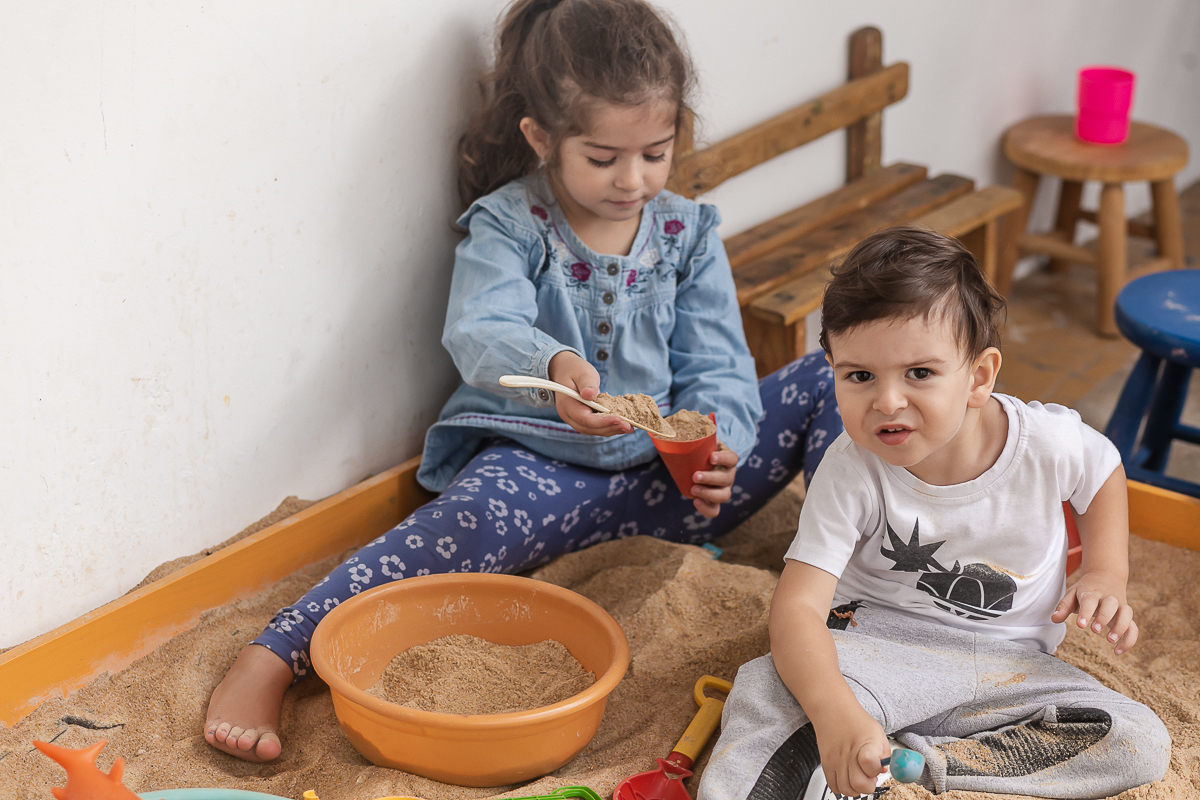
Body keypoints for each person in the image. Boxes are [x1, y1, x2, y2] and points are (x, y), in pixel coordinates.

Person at [203, 0, 842, 763]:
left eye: (656, 153)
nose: (632, 180)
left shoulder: (688, 233)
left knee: (831, 378)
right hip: (543, 472)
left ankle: (857, 585)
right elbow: (480, 330)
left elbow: (719, 362)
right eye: (603, 158)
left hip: (674, 486)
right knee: (461, 523)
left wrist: (714, 443)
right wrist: (556, 374)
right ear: (542, 137)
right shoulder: (510, 224)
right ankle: (272, 656)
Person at [697, 227, 1171, 800]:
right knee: (771, 693)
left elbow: (1102, 472)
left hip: (1009, 669)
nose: (887, 401)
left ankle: (925, 765)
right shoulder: (851, 469)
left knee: (1137, 738)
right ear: (834, 371)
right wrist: (835, 713)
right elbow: (796, 610)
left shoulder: (1045, 441)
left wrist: (1104, 573)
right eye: (859, 376)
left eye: (919, 373)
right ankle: (848, 749)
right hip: (870, 650)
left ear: (979, 376)